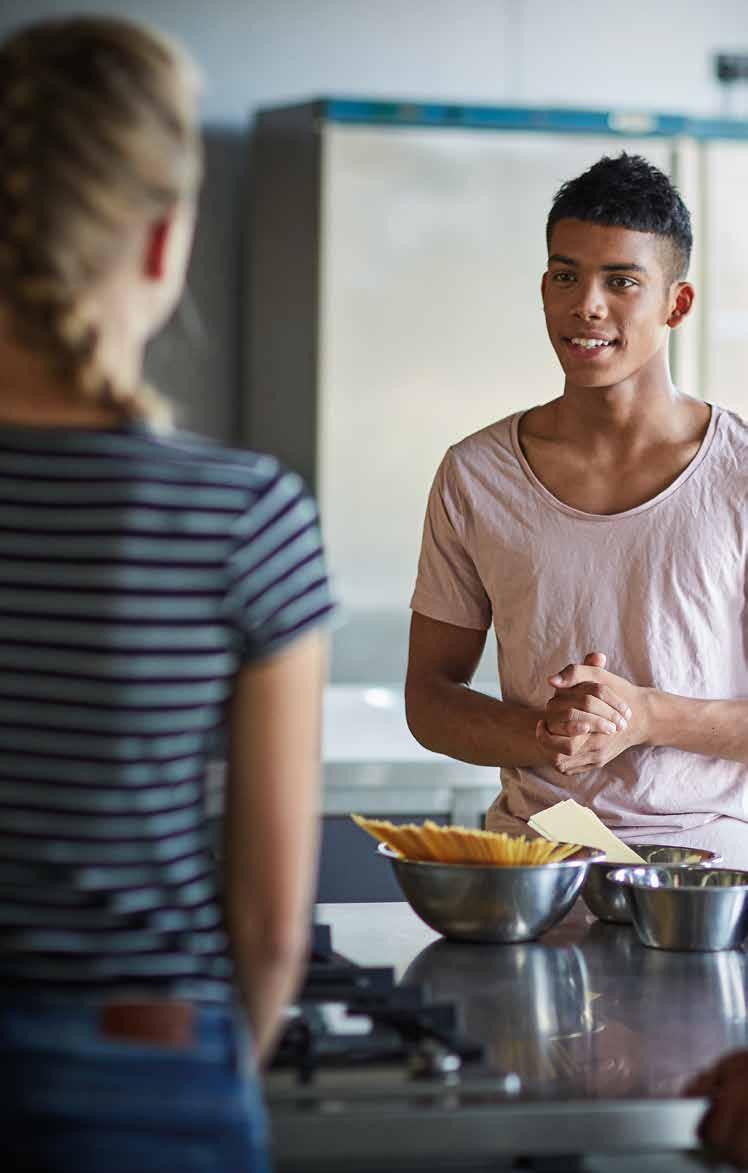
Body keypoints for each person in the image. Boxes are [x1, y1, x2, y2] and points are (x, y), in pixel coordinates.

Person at [0, 16, 333, 1173]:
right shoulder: (245, 516)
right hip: (139, 1071)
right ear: (160, 244)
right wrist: (203, 1081)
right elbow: (269, 923)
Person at [406, 152, 748, 867]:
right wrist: (541, 733)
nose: (585, 304)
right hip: (534, 871)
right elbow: (430, 699)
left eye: (621, 281)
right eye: (566, 275)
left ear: (676, 305)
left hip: (713, 881)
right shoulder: (476, 473)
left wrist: (644, 715)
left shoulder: (739, 473)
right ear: (544, 287)